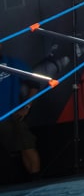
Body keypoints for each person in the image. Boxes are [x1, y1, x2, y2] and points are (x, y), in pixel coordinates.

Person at [0, 45, 40, 182]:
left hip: (10, 116)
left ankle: (35, 184)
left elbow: (35, 84)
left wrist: (26, 107)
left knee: (27, 146)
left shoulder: (12, 63)